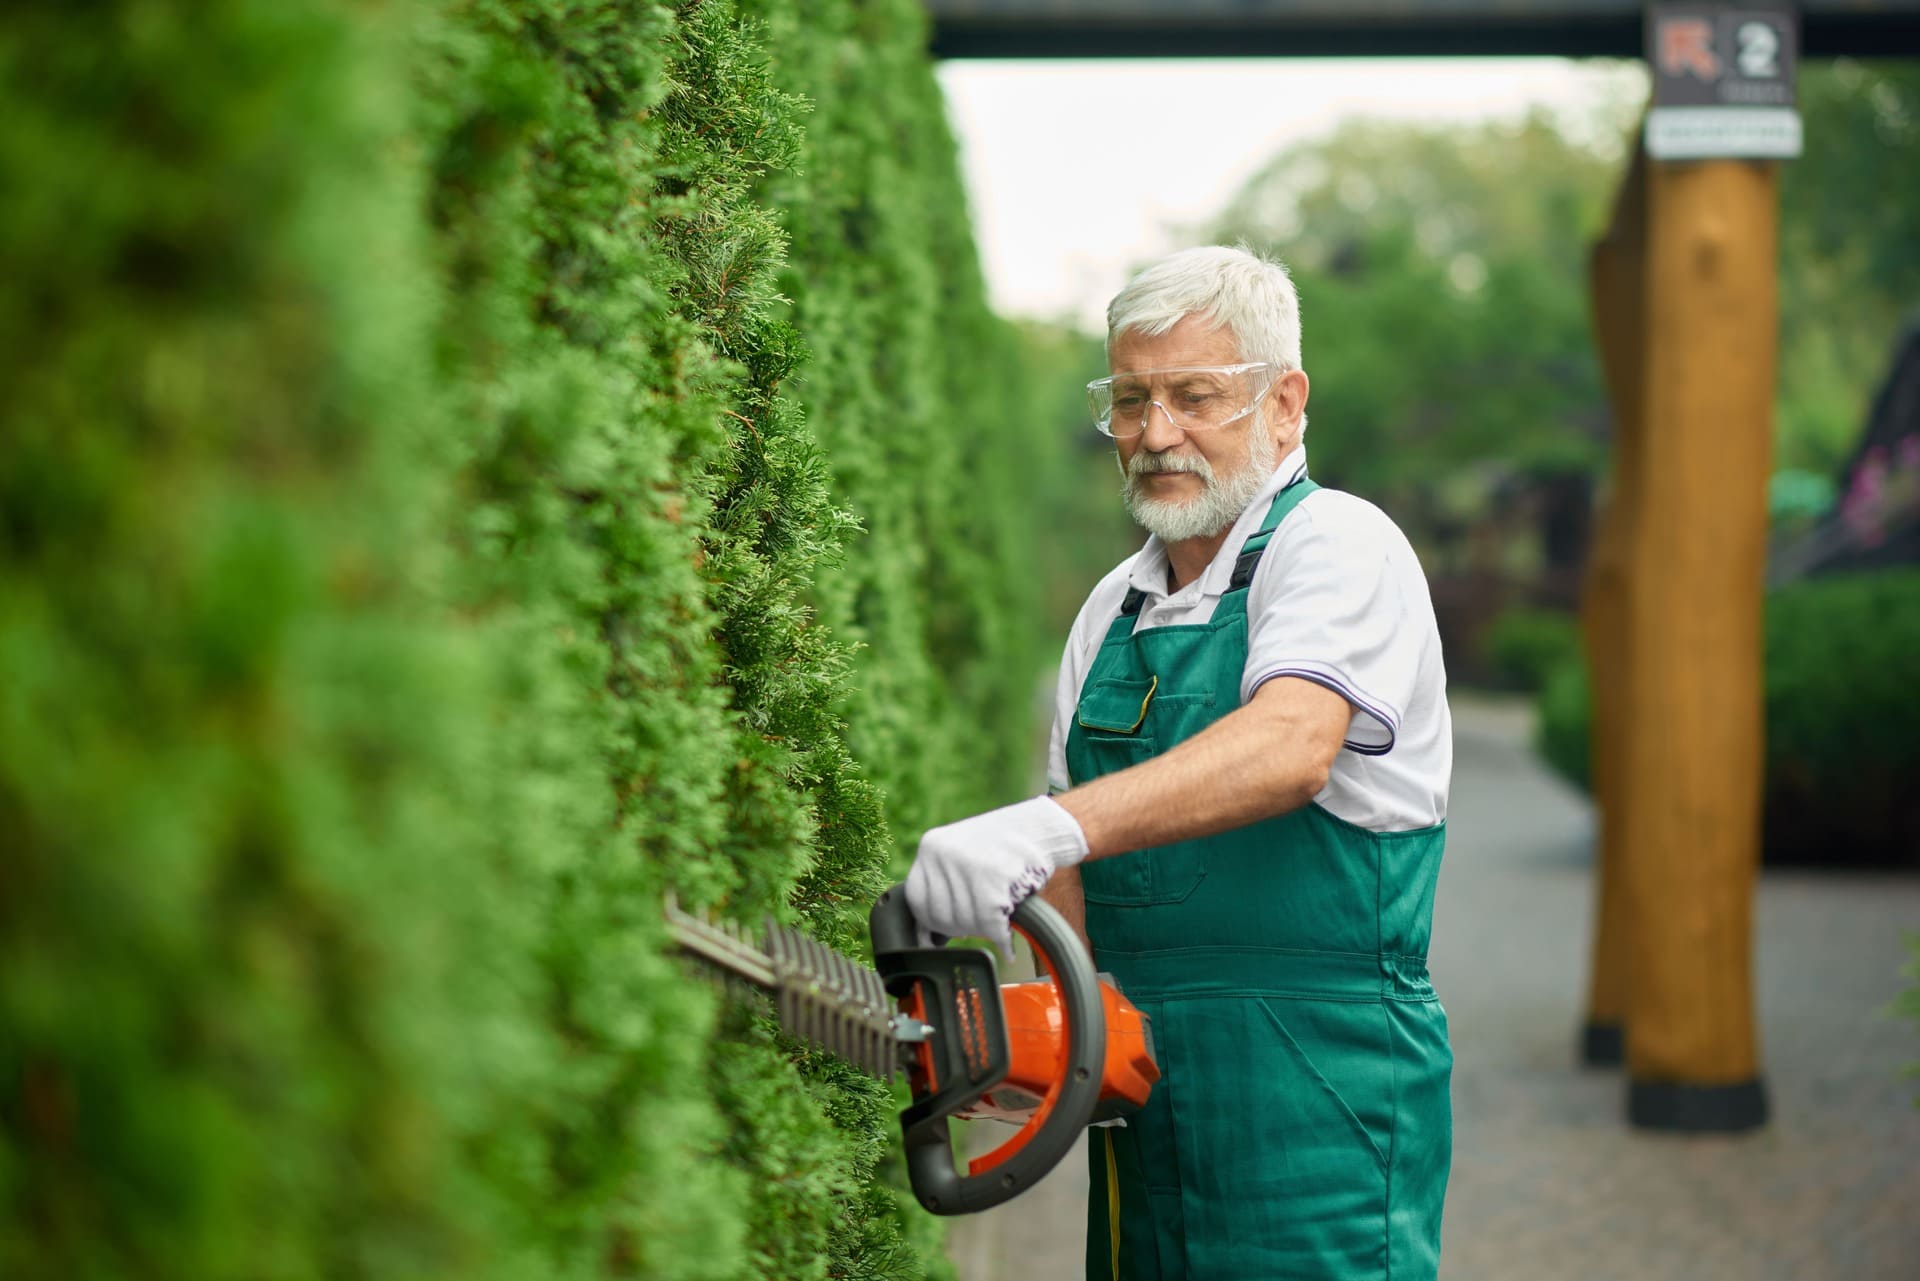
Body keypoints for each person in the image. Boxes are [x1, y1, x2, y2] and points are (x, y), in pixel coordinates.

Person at [905, 244, 1453, 1280]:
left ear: (1285, 403)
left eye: (1194, 397)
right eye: (1130, 400)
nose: (1156, 435)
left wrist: (1049, 826)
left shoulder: (1338, 544)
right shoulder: (1111, 610)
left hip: (1321, 1094)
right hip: (1139, 1109)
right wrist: (1048, 1030)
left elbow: (1294, 743)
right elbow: (1070, 863)